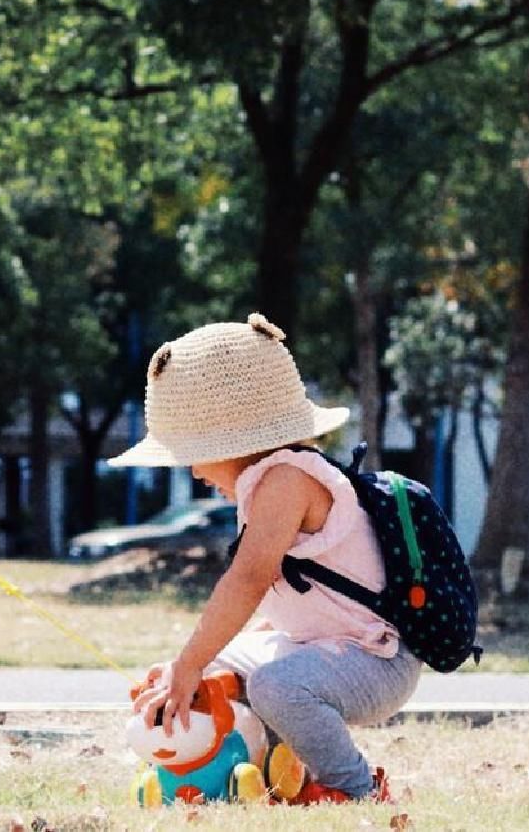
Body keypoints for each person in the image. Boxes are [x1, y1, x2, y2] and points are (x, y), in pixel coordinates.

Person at [110, 313, 419, 804]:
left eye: (191, 453)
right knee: (208, 672)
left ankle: (357, 788)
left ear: (231, 441)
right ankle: (265, 770)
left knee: (272, 685)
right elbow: (295, 603)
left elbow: (247, 579)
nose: (191, 471)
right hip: (323, 650)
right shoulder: (269, 483)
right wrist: (187, 669)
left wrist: (191, 662)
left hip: (374, 662)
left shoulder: (286, 480)